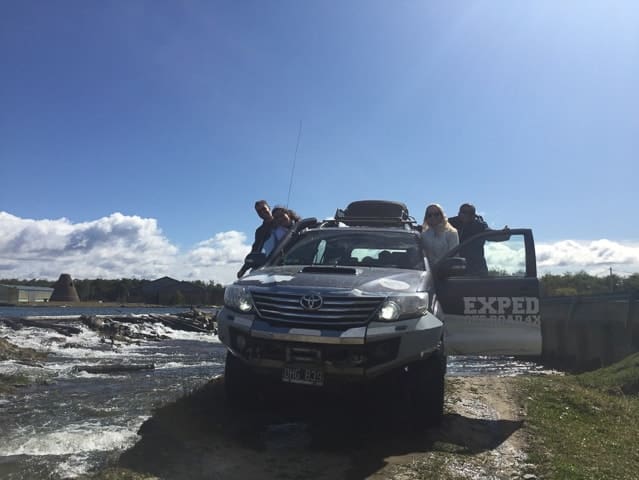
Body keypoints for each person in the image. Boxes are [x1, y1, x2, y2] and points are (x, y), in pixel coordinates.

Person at [237, 200, 274, 278]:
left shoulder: (282, 222)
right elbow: (255, 250)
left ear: (269, 208)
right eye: (259, 211)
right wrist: (243, 270)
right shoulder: (260, 231)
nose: (262, 212)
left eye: (264, 209)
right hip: (268, 266)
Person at [448, 203, 489, 275]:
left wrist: (504, 233)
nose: (467, 215)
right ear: (459, 213)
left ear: (474, 214)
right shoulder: (450, 223)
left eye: (470, 213)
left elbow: (492, 235)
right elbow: (432, 227)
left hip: (477, 271)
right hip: (455, 270)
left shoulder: (480, 226)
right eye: (464, 212)